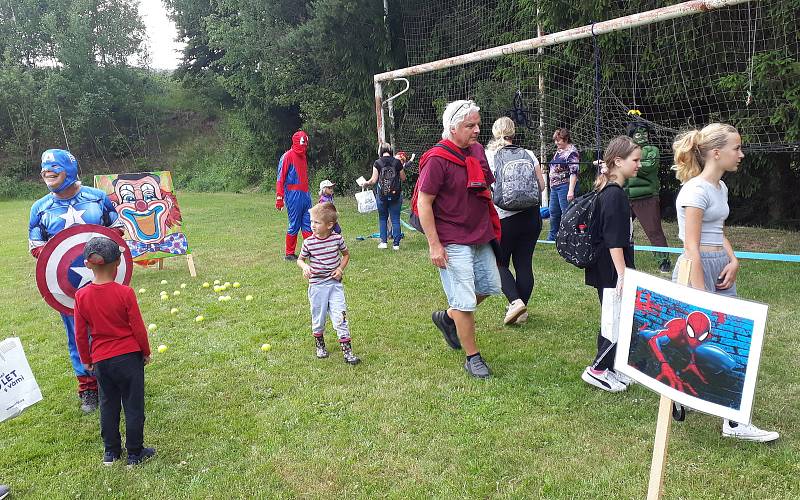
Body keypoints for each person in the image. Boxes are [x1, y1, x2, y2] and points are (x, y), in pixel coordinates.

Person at [671, 123, 778, 442]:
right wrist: (702, 293)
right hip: (696, 269)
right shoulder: (695, 191)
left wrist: (733, 259)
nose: (741, 154)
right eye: (737, 148)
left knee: (733, 342)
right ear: (717, 153)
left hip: (718, 266)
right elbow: (691, 247)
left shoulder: (721, 188)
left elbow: (717, 232)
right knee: (695, 340)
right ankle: (679, 392)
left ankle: (732, 421)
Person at [29, 149, 124, 413]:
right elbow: (37, 247)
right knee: (78, 335)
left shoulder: (97, 198)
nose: (46, 173)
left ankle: (114, 381)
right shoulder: (40, 208)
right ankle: (88, 388)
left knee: (113, 328)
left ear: (69, 169)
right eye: (43, 169)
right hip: (68, 287)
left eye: (53, 168)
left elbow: (116, 230)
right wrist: (59, 255)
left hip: (104, 280)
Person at [413, 99, 502, 379]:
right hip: (452, 238)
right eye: (470, 125)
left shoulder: (476, 151)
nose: (477, 130)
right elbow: (423, 204)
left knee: (489, 286)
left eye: (477, 124)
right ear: (453, 128)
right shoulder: (437, 159)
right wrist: (434, 245)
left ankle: (448, 318)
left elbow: (485, 184)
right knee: (465, 300)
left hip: (478, 233)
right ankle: (472, 357)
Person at [74, 236, 155, 466]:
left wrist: (86, 359)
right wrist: (145, 351)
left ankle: (110, 453)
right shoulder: (125, 293)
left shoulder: (81, 296)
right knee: (133, 405)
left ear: (88, 264)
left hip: (101, 360)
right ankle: (135, 453)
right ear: (118, 263)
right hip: (129, 358)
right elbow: (138, 328)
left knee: (108, 404)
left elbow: (81, 333)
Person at [581, 136, 641, 392]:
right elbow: (614, 240)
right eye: (635, 160)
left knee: (616, 318)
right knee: (615, 319)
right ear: (618, 161)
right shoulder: (614, 195)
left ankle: (612, 367)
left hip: (607, 267)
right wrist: (623, 274)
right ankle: (597, 369)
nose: (639, 164)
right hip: (611, 269)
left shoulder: (609, 191)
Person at [485, 117, 545, 325]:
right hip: (531, 217)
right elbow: (542, 185)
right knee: (524, 264)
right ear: (513, 132)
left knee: (498, 263)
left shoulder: (489, 156)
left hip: (504, 218)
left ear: (494, 133)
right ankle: (521, 311)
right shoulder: (528, 154)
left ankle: (516, 302)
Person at [297, 202, 360, 365]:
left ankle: (347, 351)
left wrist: (340, 269)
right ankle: (320, 345)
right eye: (311, 222)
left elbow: (346, 255)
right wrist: (305, 267)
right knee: (318, 318)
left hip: (334, 285)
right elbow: (300, 260)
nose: (312, 225)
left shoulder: (337, 239)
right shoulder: (308, 243)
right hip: (317, 286)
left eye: (316, 222)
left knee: (341, 316)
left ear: (329, 225)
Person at [624, 116, 672, 274]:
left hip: (647, 197)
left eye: (644, 132)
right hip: (626, 196)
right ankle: (622, 259)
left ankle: (663, 261)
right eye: (638, 132)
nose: (642, 135)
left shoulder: (652, 150)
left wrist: (629, 163)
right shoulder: (625, 151)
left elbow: (649, 167)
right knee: (620, 229)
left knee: (654, 231)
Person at [276, 131, 312, 260]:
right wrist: (280, 197)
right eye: (302, 143)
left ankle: (310, 251)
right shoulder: (287, 156)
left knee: (308, 223)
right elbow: (280, 178)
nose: (304, 147)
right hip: (293, 195)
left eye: (305, 143)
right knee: (295, 224)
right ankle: (289, 253)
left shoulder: (303, 157)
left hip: (305, 194)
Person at [364, 143, 406, 250]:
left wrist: (366, 183)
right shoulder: (397, 162)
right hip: (396, 195)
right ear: (391, 151)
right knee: (395, 218)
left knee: (383, 218)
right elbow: (403, 178)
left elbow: (373, 180)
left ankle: (384, 242)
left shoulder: (377, 163)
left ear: (380, 152)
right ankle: (396, 244)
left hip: (382, 195)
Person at [546, 128, 580, 241]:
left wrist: (570, 191)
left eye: (558, 140)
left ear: (566, 139)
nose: (556, 143)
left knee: (567, 213)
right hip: (555, 187)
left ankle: (569, 237)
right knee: (553, 212)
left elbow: (574, 172)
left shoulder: (572, 152)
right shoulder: (559, 151)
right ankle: (552, 238)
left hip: (565, 186)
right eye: (555, 140)